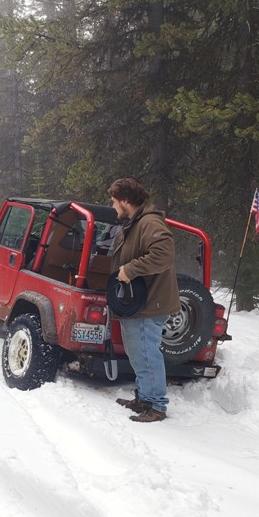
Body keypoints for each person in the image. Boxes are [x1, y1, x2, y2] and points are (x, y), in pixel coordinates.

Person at [107, 178, 181, 422]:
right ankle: (145, 398)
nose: (113, 206)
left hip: (150, 303)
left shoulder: (149, 222)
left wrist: (130, 270)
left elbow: (164, 253)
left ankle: (157, 405)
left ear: (126, 201)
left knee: (147, 352)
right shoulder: (135, 222)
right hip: (139, 303)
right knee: (138, 351)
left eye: (115, 201)